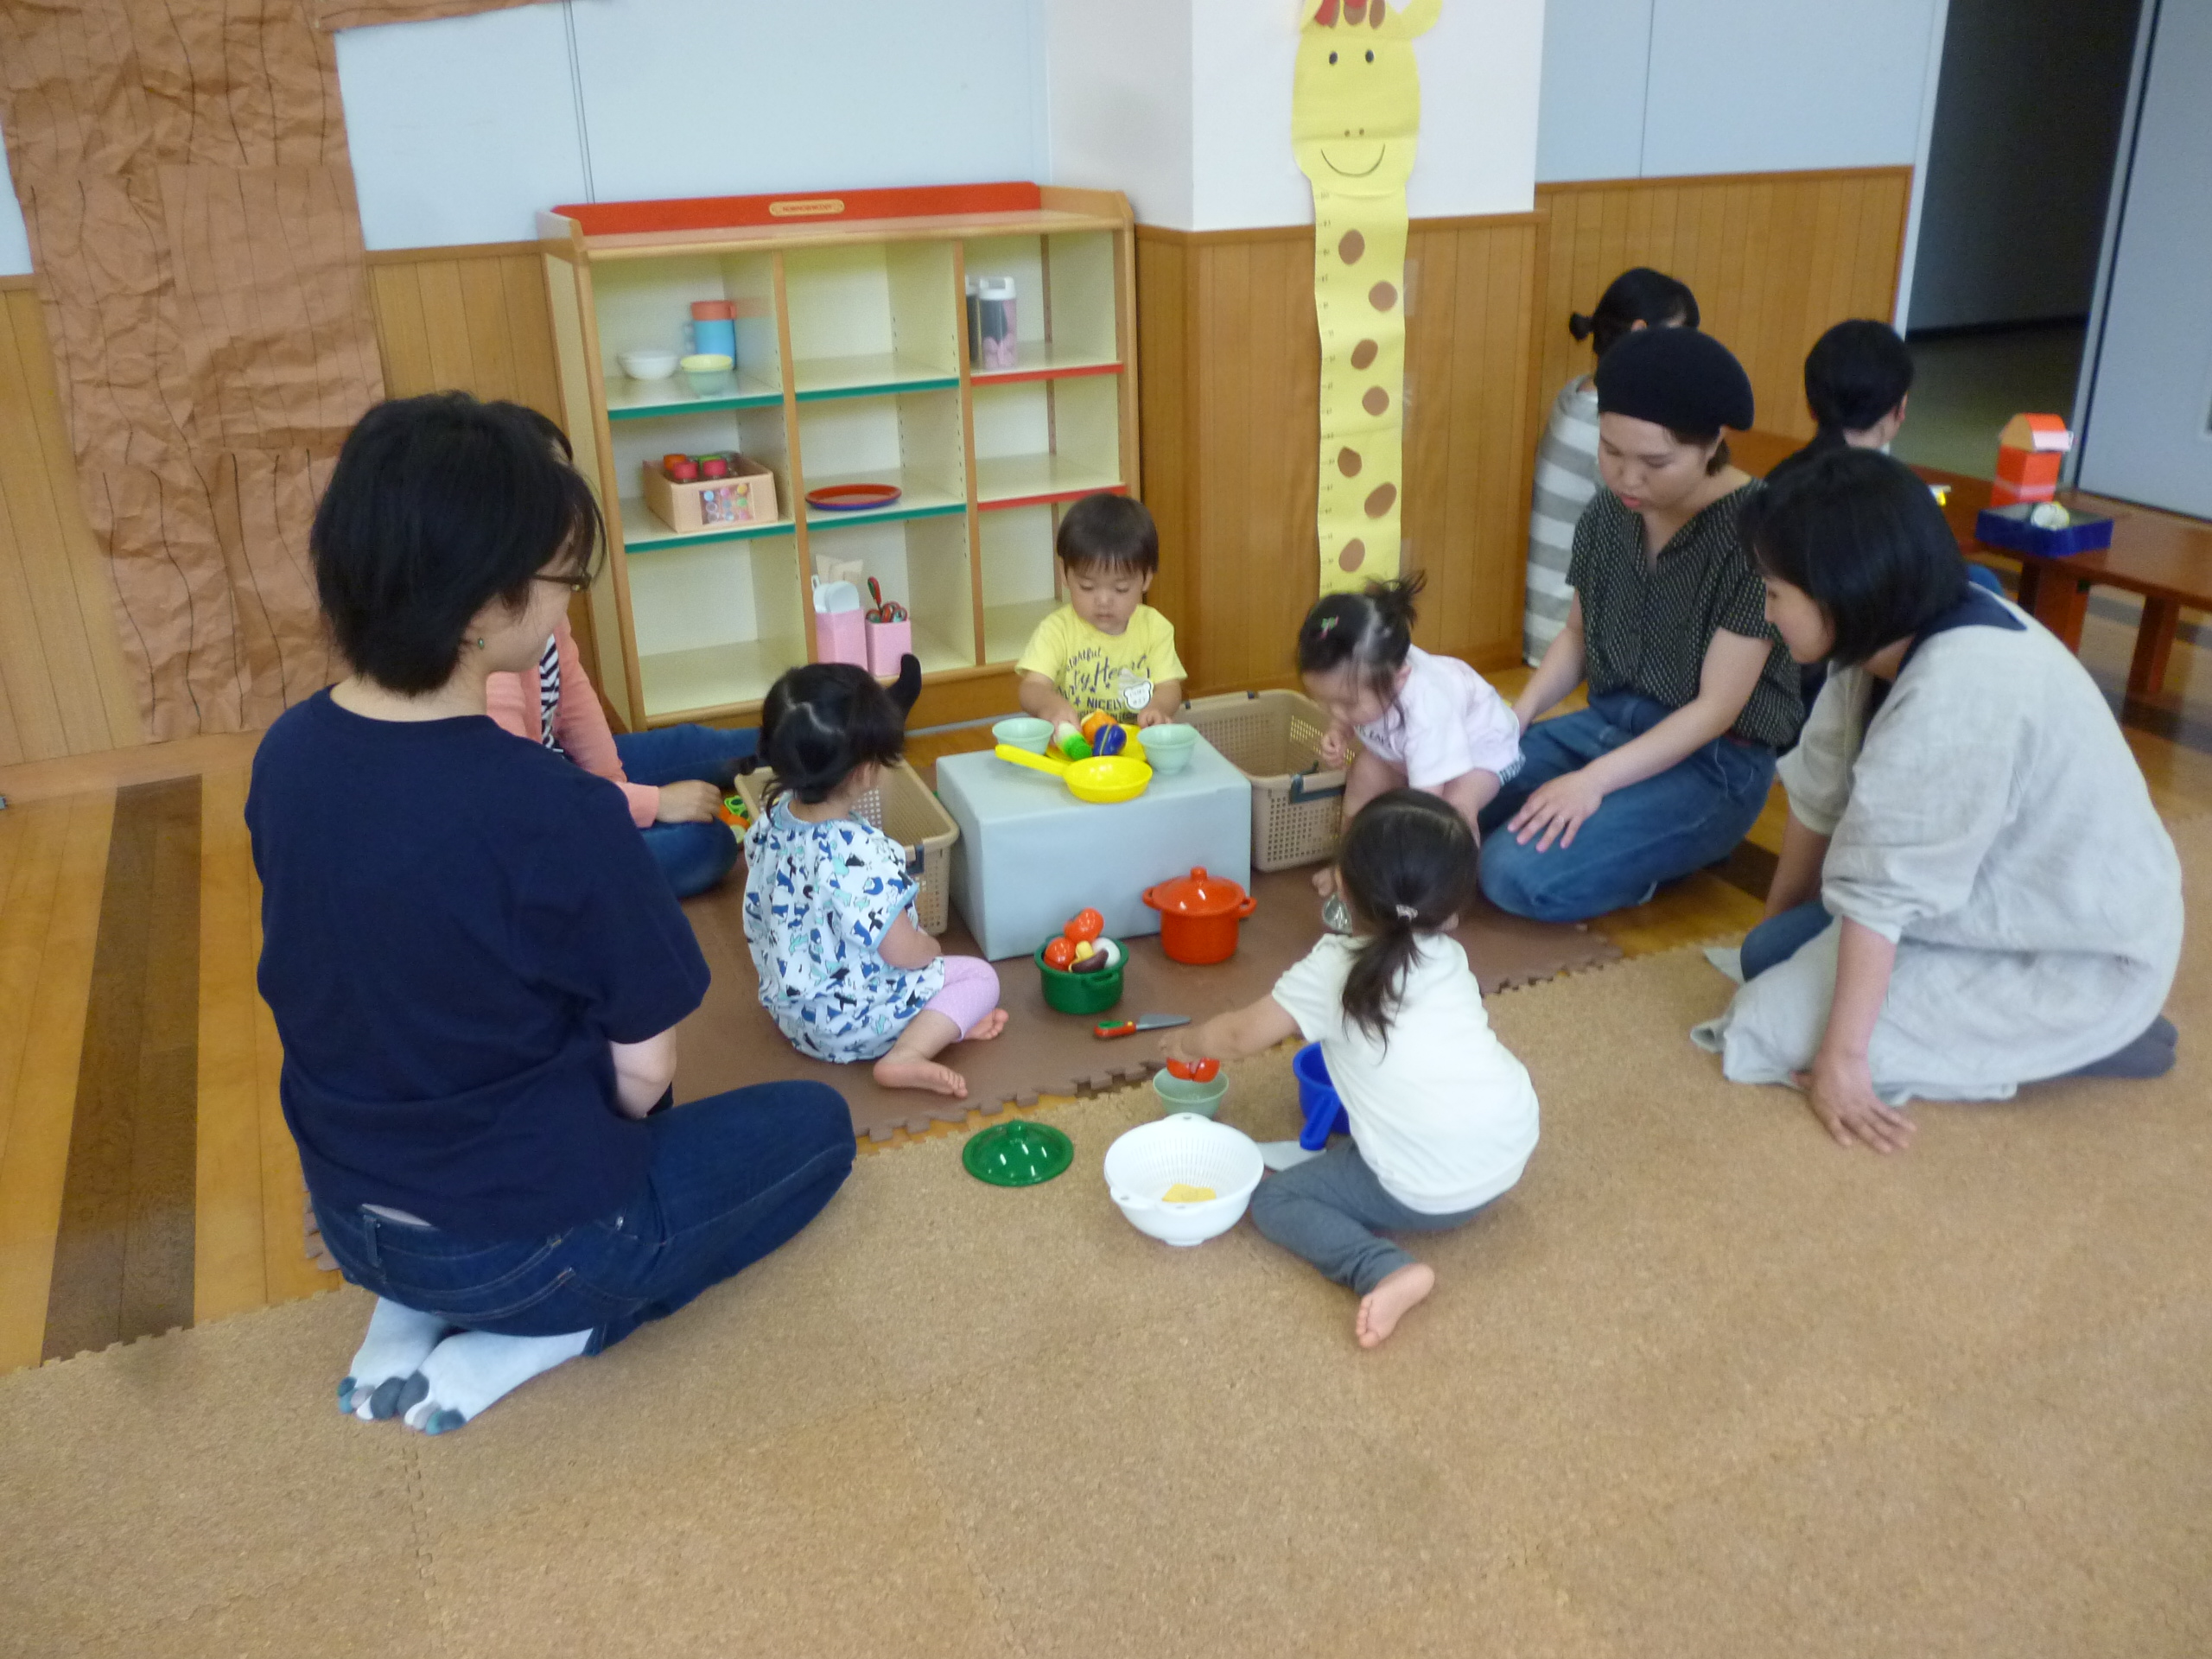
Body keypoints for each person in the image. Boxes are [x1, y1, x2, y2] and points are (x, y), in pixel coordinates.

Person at [248, 392, 854, 1434]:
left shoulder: (285, 755)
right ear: (487, 602)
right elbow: (645, 1075)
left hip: (351, 1214)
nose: (566, 603)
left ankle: (406, 1306)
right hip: (530, 1251)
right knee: (816, 1131)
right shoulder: (554, 811)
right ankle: (549, 1333)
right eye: (563, 580)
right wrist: (585, 1151)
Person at [1693, 448, 2182, 1151]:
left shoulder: (1960, 692)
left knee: (1770, 1026)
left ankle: (2098, 1036)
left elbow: (1882, 895)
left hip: (2074, 948)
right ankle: (2042, 1032)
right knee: (1768, 957)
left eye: (1775, 594)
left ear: (1839, 593)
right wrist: (1771, 935)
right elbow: (1820, 794)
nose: (1767, 614)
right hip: (1974, 906)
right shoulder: (1879, 638)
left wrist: (1842, 1062)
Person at [1162, 791, 1538, 1349]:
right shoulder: (1450, 955)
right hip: (1512, 1146)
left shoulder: (1333, 968)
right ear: (1452, 910)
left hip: (1428, 1190)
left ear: (1341, 885)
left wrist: (1187, 1041)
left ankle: (1382, 1268)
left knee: (1275, 1200)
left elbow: (1241, 1036)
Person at [1481, 326, 1802, 923]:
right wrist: (1515, 719)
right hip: (1605, 727)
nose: (1627, 479)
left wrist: (1593, 782)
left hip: (1711, 764)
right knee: (1454, 795)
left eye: (1655, 462)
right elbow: (1576, 637)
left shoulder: (1757, 534)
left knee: (1512, 875)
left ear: (1713, 443)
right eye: (1611, 452)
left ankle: (1656, 863)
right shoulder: (1608, 513)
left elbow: (1716, 711)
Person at [481, 411, 758, 899]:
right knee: (705, 844)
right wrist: (648, 805)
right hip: (544, 826)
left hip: (569, 777)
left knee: (699, 744)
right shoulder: (493, 640)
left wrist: (616, 788)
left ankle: (815, 739)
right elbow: (525, 800)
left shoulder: (542, 593)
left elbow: (574, 698)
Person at [742, 663, 1008, 1098]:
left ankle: (945, 1023)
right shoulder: (859, 853)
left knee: (944, 980)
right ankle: (909, 1051)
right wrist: (931, 947)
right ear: (865, 771)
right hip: (855, 1022)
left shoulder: (772, 820)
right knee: (980, 978)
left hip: (795, 1016)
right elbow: (903, 953)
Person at [1296, 574, 1520, 895]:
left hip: (1481, 748)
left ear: (1398, 680)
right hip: (1405, 745)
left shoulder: (1428, 713)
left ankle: (1448, 895)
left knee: (1454, 812)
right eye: (1325, 702)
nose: (1336, 712)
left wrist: (1400, 864)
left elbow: (1425, 809)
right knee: (1363, 776)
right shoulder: (1368, 678)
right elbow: (1346, 712)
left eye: (1346, 705)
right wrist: (1339, 730)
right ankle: (1346, 866)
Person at [1523, 268, 1700, 665]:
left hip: (1550, 628)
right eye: (1681, 341)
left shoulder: (1577, 393)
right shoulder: (1608, 427)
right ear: (1640, 333)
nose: (1686, 359)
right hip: (1564, 644)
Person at [1016, 493, 1185, 739]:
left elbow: (1169, 686)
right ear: (1064, 574)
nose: (1103, 601)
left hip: (1134, 744)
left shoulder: (1155, 628)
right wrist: (1049, 705)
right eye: (1087, 587)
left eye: (1121, 589)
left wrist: (1158, 708)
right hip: (1074, 744)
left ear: (1147, 578)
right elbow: (1032, 687)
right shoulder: (1056, 630)